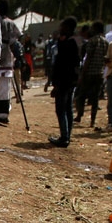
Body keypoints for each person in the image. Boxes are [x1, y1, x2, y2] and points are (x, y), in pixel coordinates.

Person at [48, 17, 80, 148]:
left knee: (61, 109)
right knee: (67, 109)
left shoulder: (68, 44)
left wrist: (57, 85)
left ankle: (64, 137)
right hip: (70, 81)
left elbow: (62, 66)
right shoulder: (72, 42)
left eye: (62, 26)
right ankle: (66, 135)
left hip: (64, 82)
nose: (60, 29)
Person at [0, 0, 21, 125]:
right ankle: (2, 115)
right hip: (6, 59)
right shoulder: (10, 23)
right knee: (4, 89)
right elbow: (15, 41)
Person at [75, 21, 107, 127]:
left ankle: (79, 115)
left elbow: (88, 58)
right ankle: (92, 121)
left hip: (89, 73)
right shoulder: (105, 42)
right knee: (95, 98)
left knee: (81, 96)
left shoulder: (92, 41)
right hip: (99, 73)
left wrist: (82, 74)